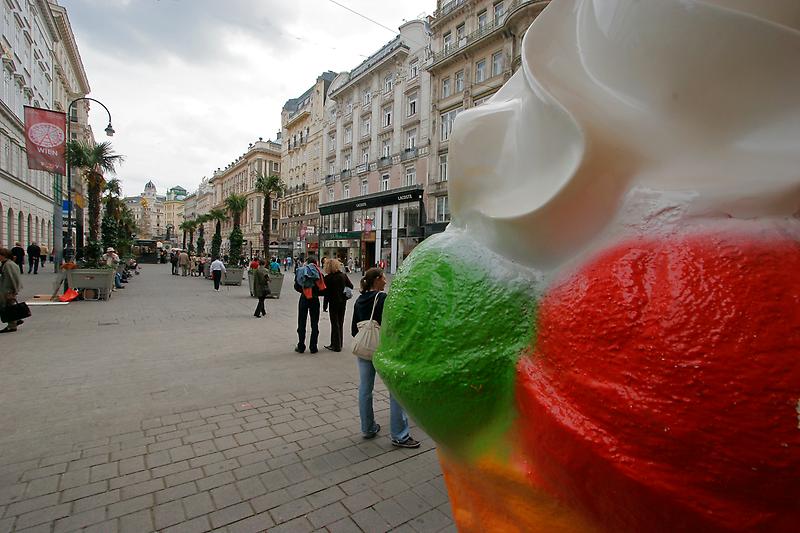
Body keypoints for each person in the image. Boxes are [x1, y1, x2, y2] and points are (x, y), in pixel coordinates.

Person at [351, 268, 419, 448]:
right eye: (383, 278)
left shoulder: (359, 300)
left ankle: (368, 427)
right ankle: (400, 435)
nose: (386, 281)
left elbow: (353, 329)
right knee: (395, 390)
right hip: (384, 350)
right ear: (377, 280)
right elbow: (393, 324)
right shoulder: (382, 299)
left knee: (365, 389)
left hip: (365, 350)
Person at [293, 255, 325, 354]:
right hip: (314, 300)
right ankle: (313, 347)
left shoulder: (301, 271)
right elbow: (323, 290)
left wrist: (304, 291)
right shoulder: (319, 274)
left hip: (304, 298)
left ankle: (301, 345)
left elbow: (296, 286)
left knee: (301, 322)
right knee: (314, 323)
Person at [322, 259, 353, 352]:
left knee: (334, 323)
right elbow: (351, 286)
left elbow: (326, 293)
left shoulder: (328, 278)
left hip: (333, 302)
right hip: (343, 302)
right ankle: (339, 343)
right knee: (340, 322)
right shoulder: (343, 276)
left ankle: (335, 345)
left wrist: (325, 305)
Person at [0, 247, 23, 333]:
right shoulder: (6, 263)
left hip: (7, 290)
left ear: (3, 255)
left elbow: (13, 278)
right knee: (9, 306)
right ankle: (16, 320)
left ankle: (12, 325)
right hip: (6, 289)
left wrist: (14, 290)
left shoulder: (8, 265)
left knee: (8, 307)